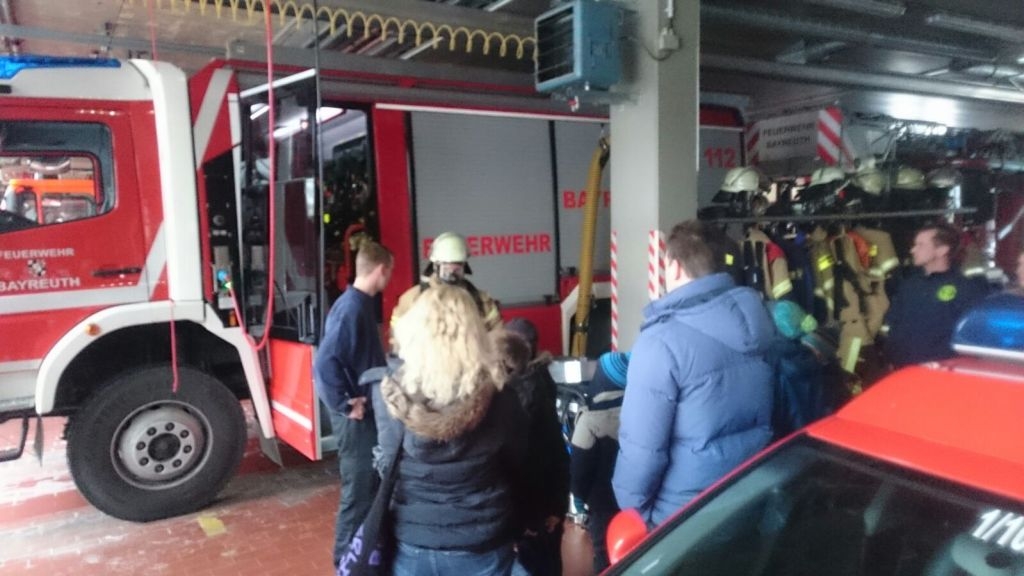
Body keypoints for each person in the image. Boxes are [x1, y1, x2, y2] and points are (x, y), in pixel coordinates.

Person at [612, 220, 776, 528]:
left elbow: (642, 451)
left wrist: (635, 513)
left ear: (673, 268)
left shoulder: (660, 342)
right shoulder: (760, 319)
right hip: (750, 497)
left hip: (684, 519)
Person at [369, 284, 528, 576]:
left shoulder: (390, 397)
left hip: (413, 541)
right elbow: (517, 466)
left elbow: (387, 465)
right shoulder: (502, 397)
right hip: (482, 543)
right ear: (476, 334)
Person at [312, 241, 393, 568]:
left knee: (368, 488)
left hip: (363, 415)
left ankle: (365, 556)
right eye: (390, 272)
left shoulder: (355, 304)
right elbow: (325, 363)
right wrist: (347, 404)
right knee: (358, 493)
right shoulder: (352, 309)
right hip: (356, 420)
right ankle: (344, 562)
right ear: (380, 270)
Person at [493, 324, 569, 576]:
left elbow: (526, 464)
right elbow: (557, 453)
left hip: (530, 517)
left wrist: (526, 520)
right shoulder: (542, 382)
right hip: (547, 511)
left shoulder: (516, 395)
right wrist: (557, 507)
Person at [883, 222, 988, 368]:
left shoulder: (966, 289)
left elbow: (973, 336)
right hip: (903, 372)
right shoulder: (909, 285)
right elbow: (893, 323)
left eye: (920, 245)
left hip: (941, 374)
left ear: (942, 250)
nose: (913, 250)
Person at [569, 351, 630, 575]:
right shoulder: (638, 412)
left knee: (603, 552)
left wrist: (578, 498)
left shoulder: (589, 420)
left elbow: (579, 469)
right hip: (633, 498)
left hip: (601, 503)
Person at [390, 232, 502, 337]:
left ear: (464, 267)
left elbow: (497, 336)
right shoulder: (414, 298)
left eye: (457, 269)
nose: (452, 275)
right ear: (435, 266)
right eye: (447, 269)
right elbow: (398, 334)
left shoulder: (481, 301)